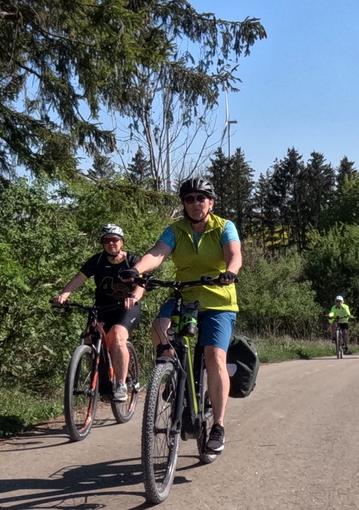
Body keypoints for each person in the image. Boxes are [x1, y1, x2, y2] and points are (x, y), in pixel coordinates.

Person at [129, 177, 240, 454]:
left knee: (215, 356)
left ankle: (219, 425)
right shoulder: (175, 230)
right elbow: (157, 253)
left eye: (200, 198)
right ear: (184, 204)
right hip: (185, 297)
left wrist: (231, 272)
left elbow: (235, 254)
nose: (195, 203)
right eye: (189, 199)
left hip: (218, 302)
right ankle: (170, 375)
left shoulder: (225, 226)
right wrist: (137, 270)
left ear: (210, 203)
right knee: (159, 328)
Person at [53, 224, 145, 401]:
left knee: (117, 336)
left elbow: (141, 285)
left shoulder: (132, 260)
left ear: (122, 242)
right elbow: (78, 279)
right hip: (102, 307)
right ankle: (103, 382)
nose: (111, 243)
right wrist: (64, 294)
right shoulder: (97, 260)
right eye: (106, 240)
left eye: (115, 240)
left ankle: (121, 384)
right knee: (90, 338)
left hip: (126, 307)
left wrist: (133, 297)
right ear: (102, 243)